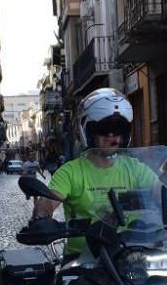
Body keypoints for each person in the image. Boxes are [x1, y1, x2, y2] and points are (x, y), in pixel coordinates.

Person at [32, 88, 157, 256]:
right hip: (84, 260)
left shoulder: (135, 168)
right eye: (105, 128)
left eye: (118, 129)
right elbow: (49, 200)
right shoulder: (70, 172)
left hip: (130, 255)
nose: (112, 136)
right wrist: (42, 217)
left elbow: (164, 192)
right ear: (89, 132)